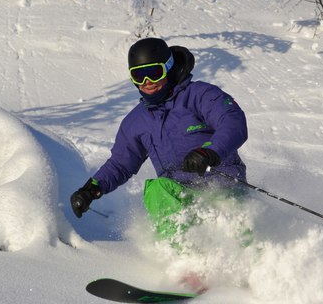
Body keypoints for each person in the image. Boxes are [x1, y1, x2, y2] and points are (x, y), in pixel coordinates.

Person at [70, 37, 248, 239]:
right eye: (139, 75)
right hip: (180, 196)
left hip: (224, 188)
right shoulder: (136, 122)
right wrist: (91, 189)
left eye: (154, 73)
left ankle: (255, 250)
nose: (147, 82)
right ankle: (184, 251)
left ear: (168, 68)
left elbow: (232, 121)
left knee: (236, 228)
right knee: (156, 190)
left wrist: (210, 151)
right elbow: (120, 163)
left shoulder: (199, 95)